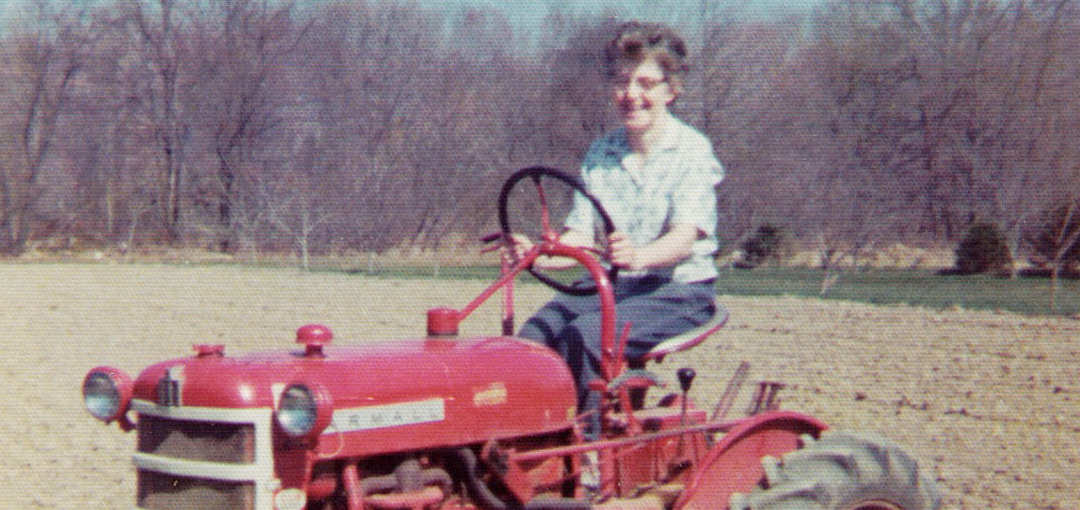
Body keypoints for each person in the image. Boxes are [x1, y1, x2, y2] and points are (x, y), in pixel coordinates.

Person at [507, 21, 724, 439]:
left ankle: (585, 456)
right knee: (533, 337)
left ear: (670, 89)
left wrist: (640, 255)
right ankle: (528, 441)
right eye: (623, 82)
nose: (632, 95)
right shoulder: (603, 152)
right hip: (617, 289)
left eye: (646, 83)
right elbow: (580, 234)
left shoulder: (692, 152)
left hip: (679, 292)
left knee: (586, 336)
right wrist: (538, 249)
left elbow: (685, 237)